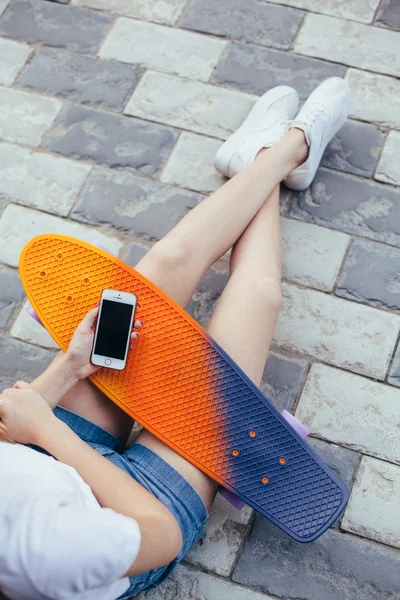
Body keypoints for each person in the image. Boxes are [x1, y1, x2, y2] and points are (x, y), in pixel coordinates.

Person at [0, 78, 349, 600]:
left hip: (42, 455)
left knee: (159, 271)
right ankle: (287, 149)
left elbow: (9, 426)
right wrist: (48, 431)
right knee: (254, 302)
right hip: (139, 512)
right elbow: (157, 533)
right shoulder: (47, 560)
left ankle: (269, 158)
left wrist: (68, 371)